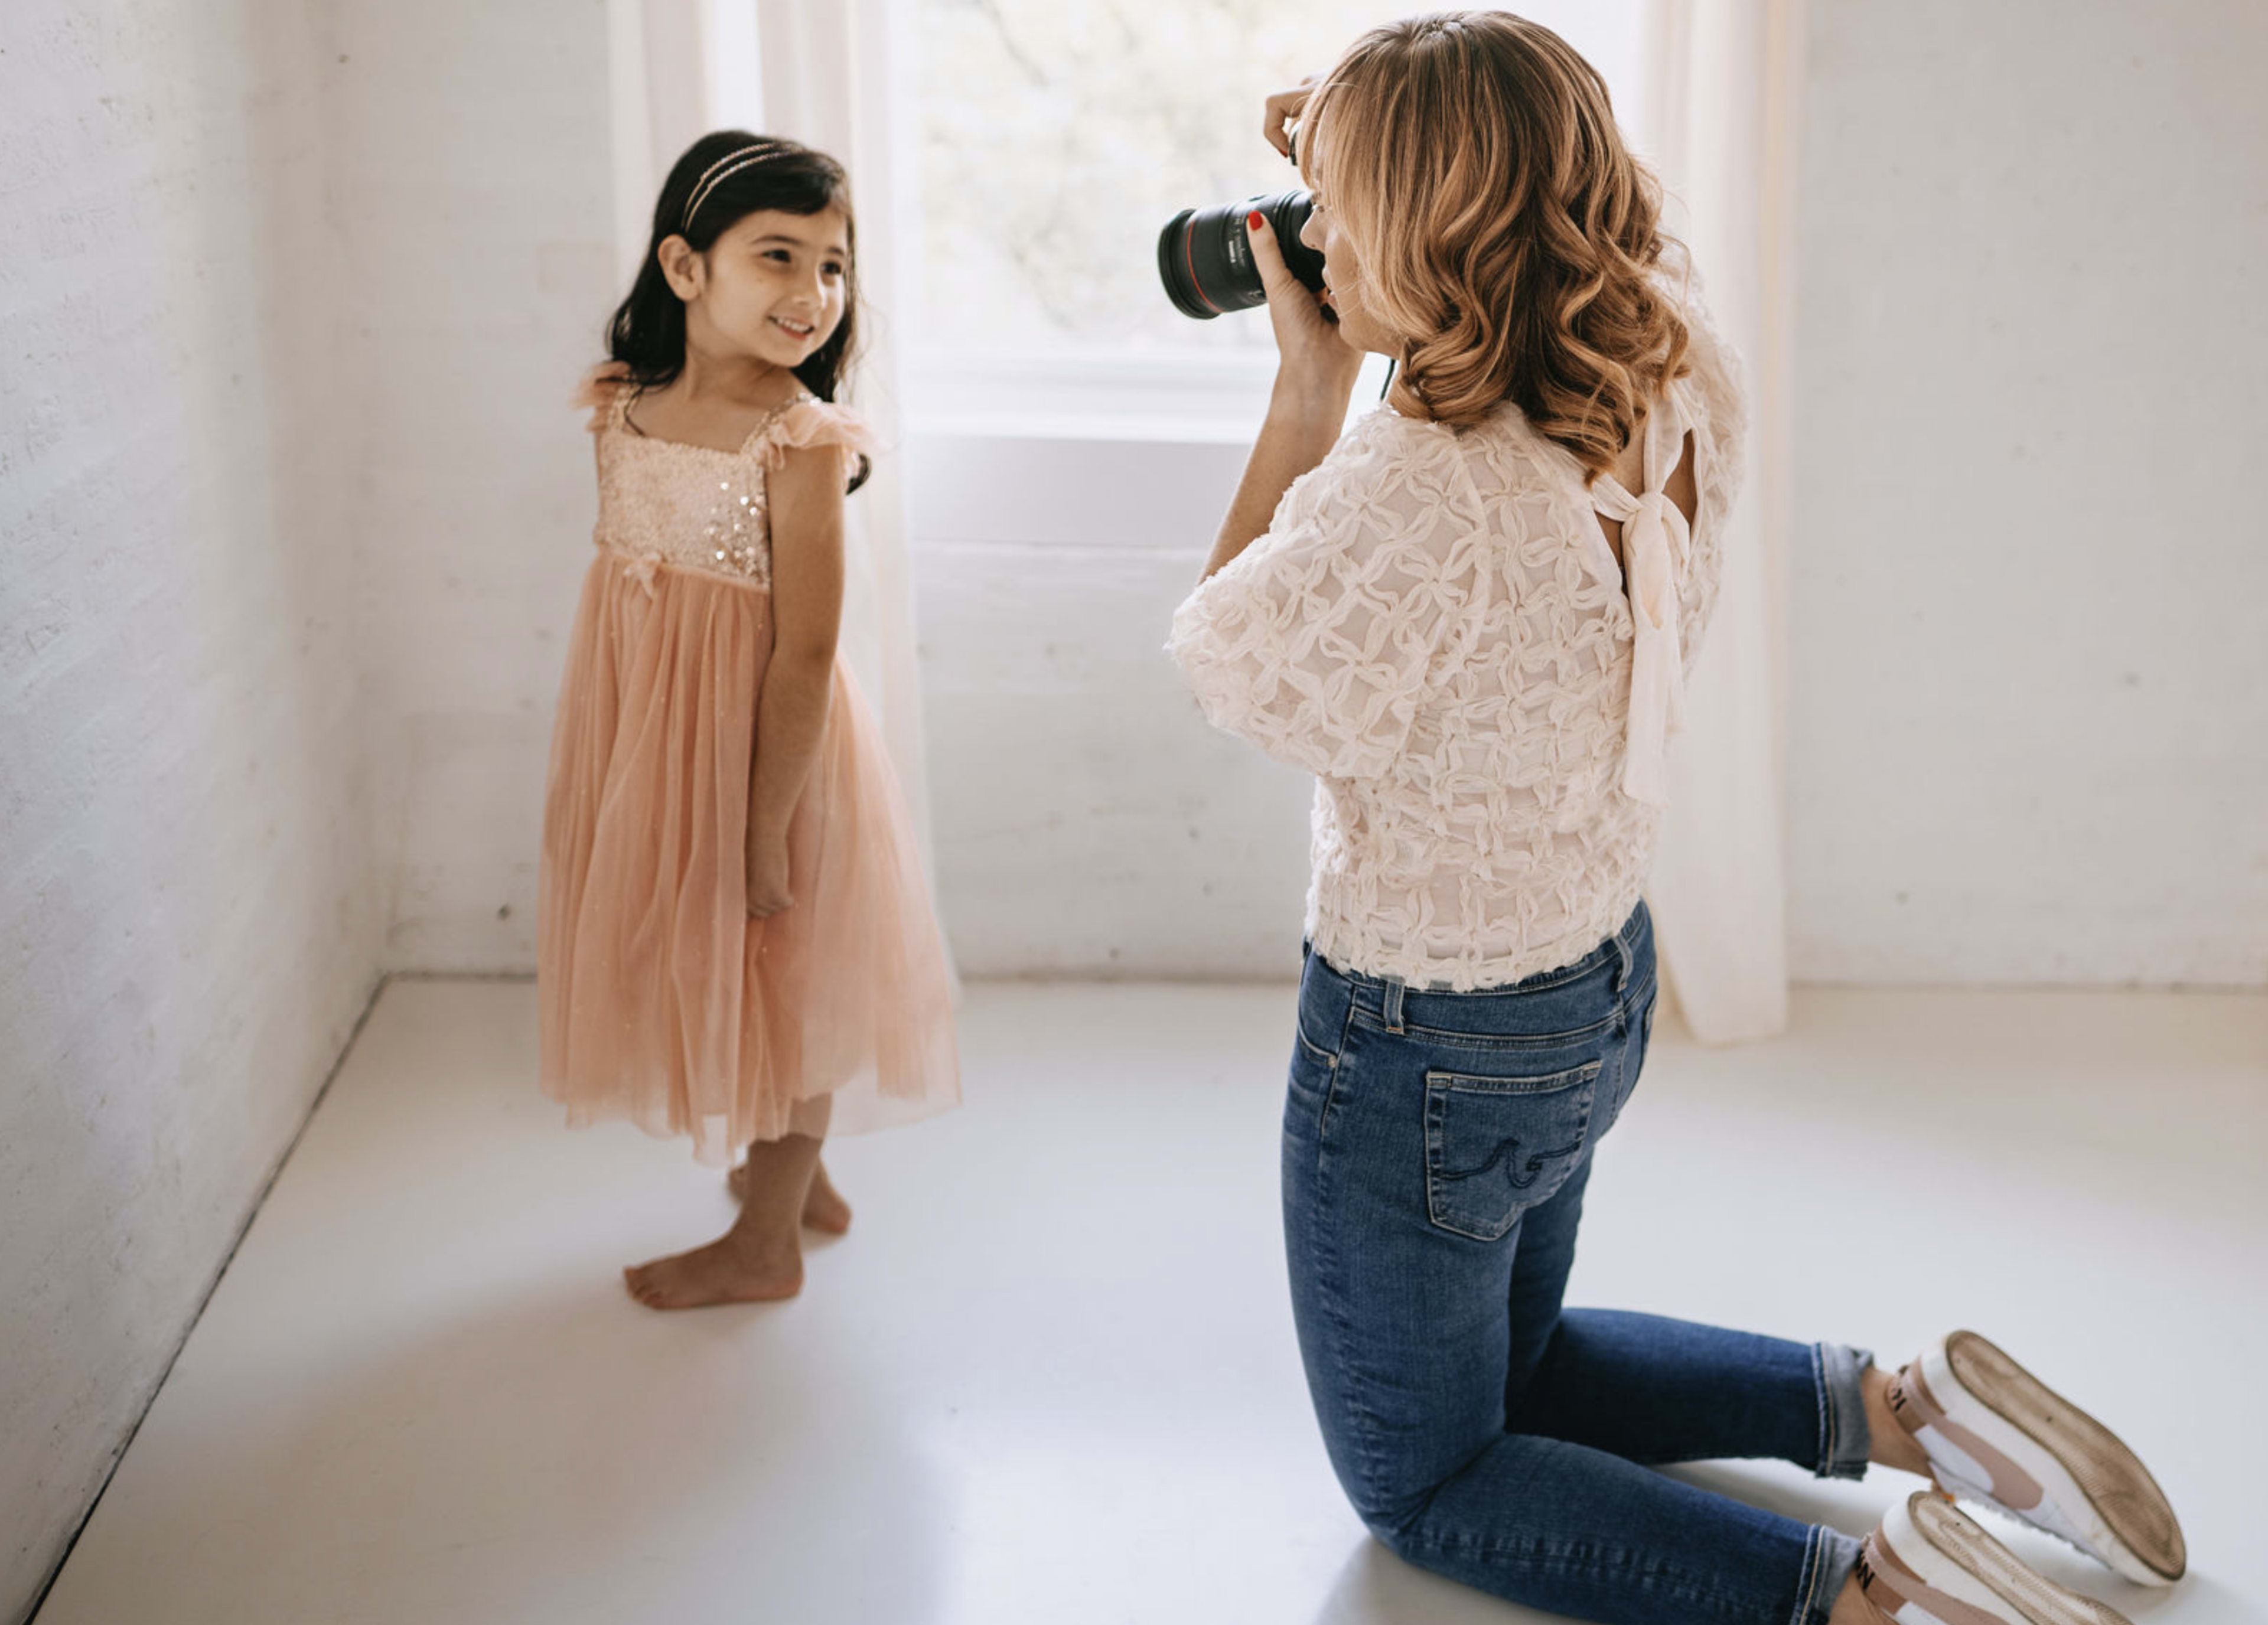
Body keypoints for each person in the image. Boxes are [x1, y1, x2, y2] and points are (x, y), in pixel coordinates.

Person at [1165, 15, 2184, 1624]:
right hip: (1593, 986)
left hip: (1422, 1044)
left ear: (1433, 229)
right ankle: (1906, 1413)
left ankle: (1869, 1599)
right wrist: (1391, 134)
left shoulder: (1422, 486)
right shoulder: (1669, 348)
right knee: (1527, 1362)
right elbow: (1572, 187)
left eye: (1348, 208)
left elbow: (1230, 657)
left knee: (1426, 1477)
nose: (1321, 243)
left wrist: (1307, 385)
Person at [539, 132, 958, 1310]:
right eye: (779, 257)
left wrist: (764, 821)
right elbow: (640, 597)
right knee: (706, 954)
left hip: (773, 748)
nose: (814, 293)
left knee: (782, 972)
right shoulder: (621, 412)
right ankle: (801, 1184)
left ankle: (766, 1239)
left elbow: (807, 648)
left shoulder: (801, 440)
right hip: (648, 736)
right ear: (685, 268)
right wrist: (628, 755)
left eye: (834, 266)